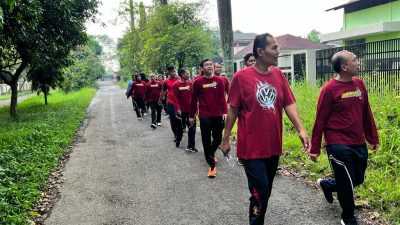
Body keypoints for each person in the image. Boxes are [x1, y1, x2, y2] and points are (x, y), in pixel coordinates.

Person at [220, 33, 310, 225]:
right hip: (251, 148)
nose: (278, 52)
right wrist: (226, 138)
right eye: (274, 48)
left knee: (265, 192)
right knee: (260, 189)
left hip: (273, 145)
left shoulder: (278, 75)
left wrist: (301, 129)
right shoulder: (241, 78)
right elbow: (233, 109)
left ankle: (257, 219)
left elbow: (289, 103)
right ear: (260, 52)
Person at [309, 50, 379, 225]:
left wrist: (372, 137)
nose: (358, 62)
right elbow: (320, 120)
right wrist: (315, 148)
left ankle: (328, 184)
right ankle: (348, 217)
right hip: (337, 143)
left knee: (357, 179)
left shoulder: (359, 85)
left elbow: (366, 113)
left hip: (358, 141)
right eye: (354, 60)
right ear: (344, 66)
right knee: (347, 183)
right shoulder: (329, 90)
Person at [189, 59, 227, 178]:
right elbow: (193, 100)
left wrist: (225, 112)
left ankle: (210, 153)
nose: (209, 66)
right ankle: (211, 165)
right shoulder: (197, 82)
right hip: (205, 115)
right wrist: (191, 116)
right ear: (202, 68)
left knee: (218, 138)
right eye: (207, 65)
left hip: (218, 114)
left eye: (211, 64)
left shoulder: (220, 81)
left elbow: (222, 98)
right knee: (206, 140)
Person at [173, 68, 198, 152]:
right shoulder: (176, 85)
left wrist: (196, 109)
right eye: (187, 73)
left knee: (192, 128)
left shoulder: (191, 83)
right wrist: (178, 109)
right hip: (181, 111)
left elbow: (194, 97)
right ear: (182, 74)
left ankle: (191, 146)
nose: (188, 75)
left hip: (191, 111)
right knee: (180, 128)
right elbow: (174, 98)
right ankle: (178, 140)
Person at [162, 66, 180, 143]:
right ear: (168, 73)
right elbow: (163, 91)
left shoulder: (179, 79)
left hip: (179, 103)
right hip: (170, 103)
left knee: (179, 120)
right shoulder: (166, 81)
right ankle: (176, 135)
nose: (173, 73)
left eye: (174, 71)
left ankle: (180, 133)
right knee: (173, 120)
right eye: (171, 72)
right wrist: (161, 99)